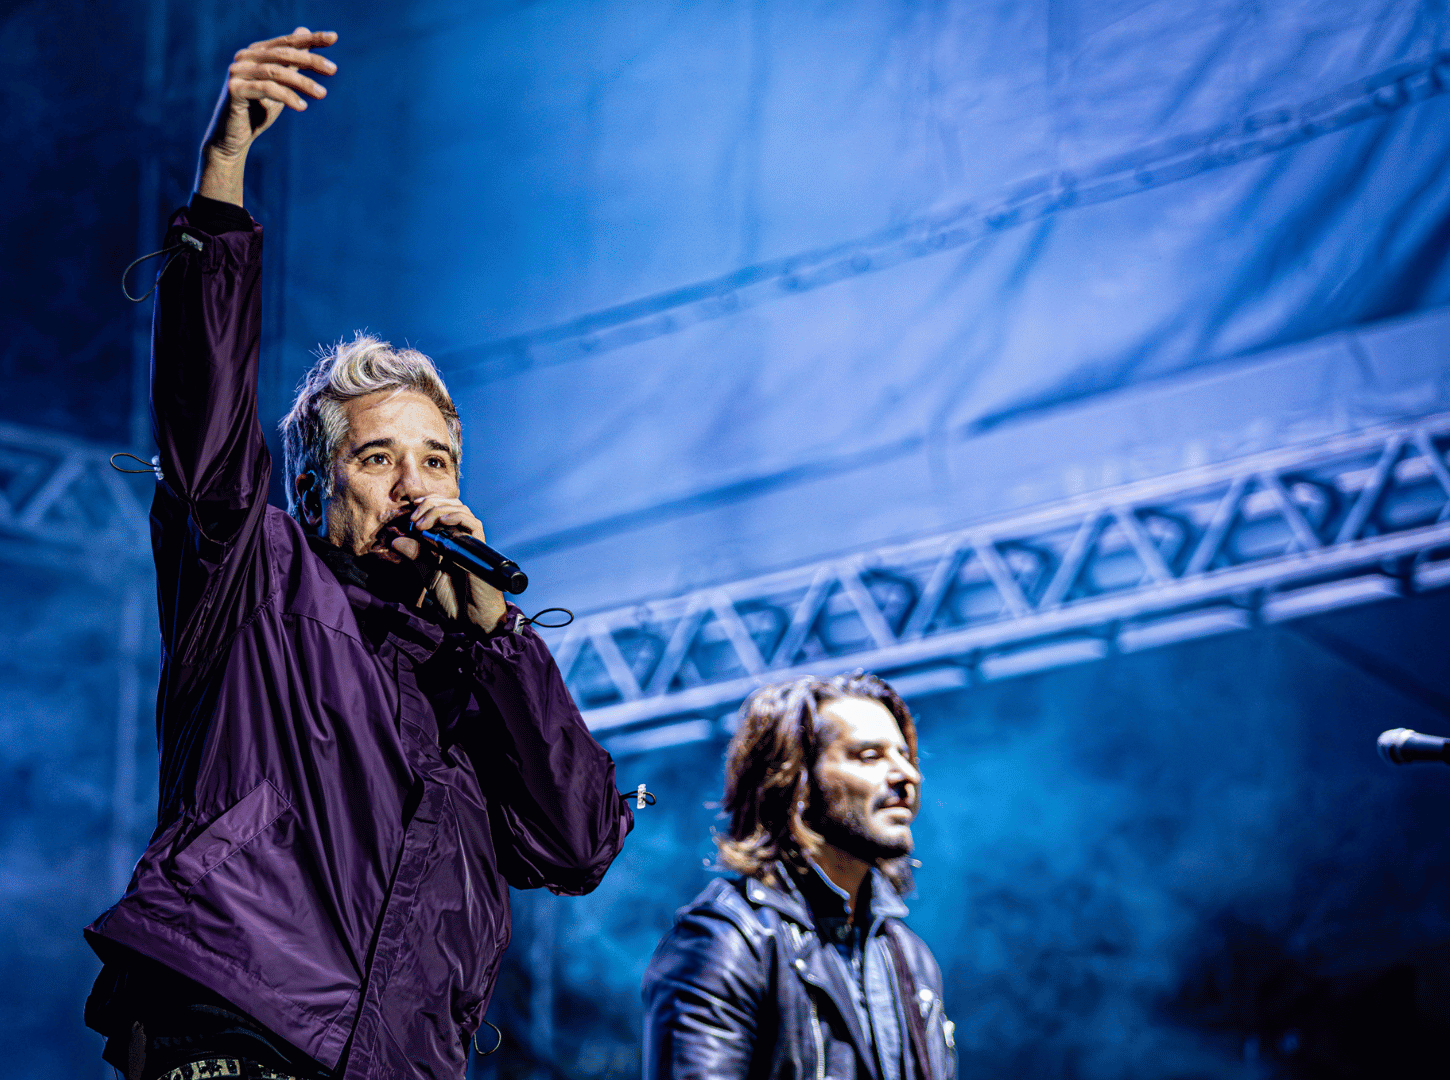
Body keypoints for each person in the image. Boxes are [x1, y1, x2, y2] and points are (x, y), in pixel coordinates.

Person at [82, 28, 633, 1080]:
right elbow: (204, 425)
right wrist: (225, 173)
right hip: (233, 1026)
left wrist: (500, 639)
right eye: (378, 457)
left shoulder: (475, 670)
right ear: (313, 484)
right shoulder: (256, 575)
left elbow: (578, 842)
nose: (413, 484)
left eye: (437, 459)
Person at [641, 673, 957, 1080]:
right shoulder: (727, 942)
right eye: (870, 756)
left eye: (904, 755)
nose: (907, 775)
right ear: (797, 781)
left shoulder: (909, 958)